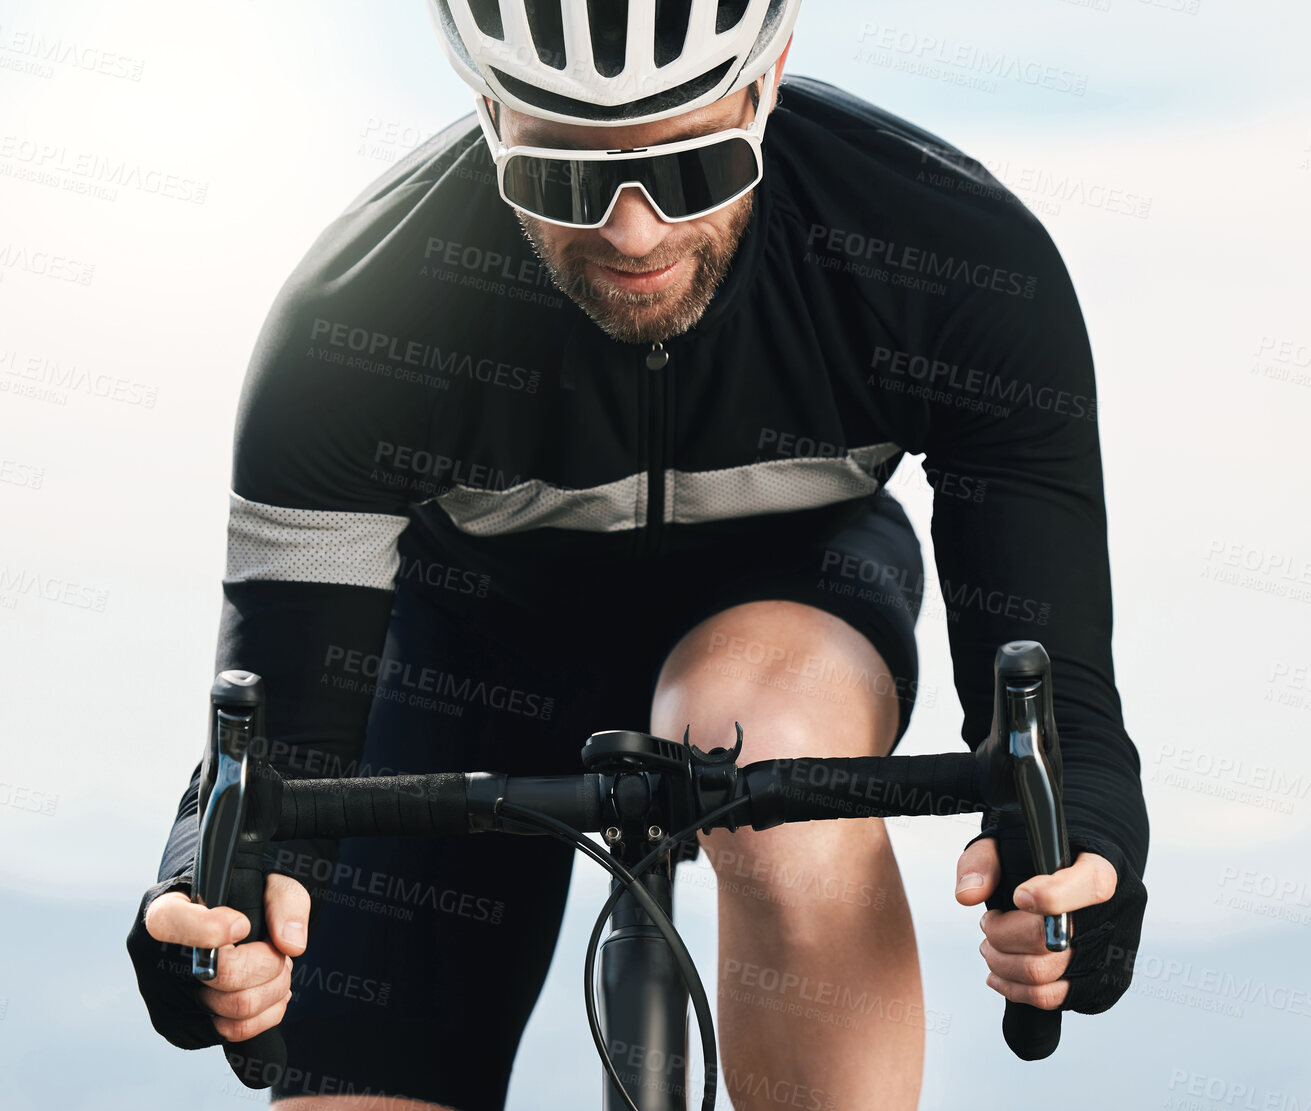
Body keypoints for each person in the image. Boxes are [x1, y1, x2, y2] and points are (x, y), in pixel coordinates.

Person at [130, 3, 1149, 1108]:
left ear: (767, 84)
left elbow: (1054, 713)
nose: (631, 232)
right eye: (561, 179)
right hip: (466, 657)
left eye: (693, 167)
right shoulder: (346, 329)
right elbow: (270, 761)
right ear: (488, 115)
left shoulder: (953, 255)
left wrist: (1076, 848)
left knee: (759, 745)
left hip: (790, 602)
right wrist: (211, 894)